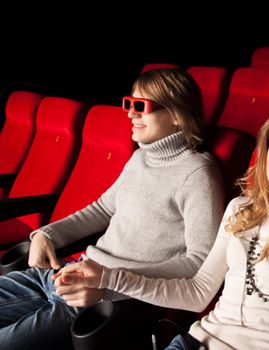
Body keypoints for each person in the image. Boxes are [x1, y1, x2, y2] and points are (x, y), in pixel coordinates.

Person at [59, 100, 269, 349]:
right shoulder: (240, 209)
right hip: (193, 342)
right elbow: (198, 293)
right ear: (266, 153)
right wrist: (107, 277)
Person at [0, 67, 225, 349]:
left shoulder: (198, 173)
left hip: (106, 299)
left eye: (141, 106)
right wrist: (47, 234)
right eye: (129, 104)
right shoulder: (140, 158)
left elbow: (198, 263)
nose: (130, 114)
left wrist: (108, 286)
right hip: (70, 272)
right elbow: (102, 209)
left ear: (178, 115)